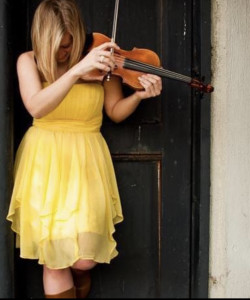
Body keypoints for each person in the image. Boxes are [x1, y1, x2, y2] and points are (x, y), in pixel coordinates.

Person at [7, 0, 162, 298]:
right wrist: (76, 71)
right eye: (60, 47)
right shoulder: (29, 61)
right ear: (42, 38)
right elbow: (36, 107)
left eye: (70, 44)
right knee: (54, 260)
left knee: (84, 259)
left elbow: (114, 111)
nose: (66, 53)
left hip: (86, 161)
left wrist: (140, 96)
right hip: (45, 162)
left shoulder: (99, 58)